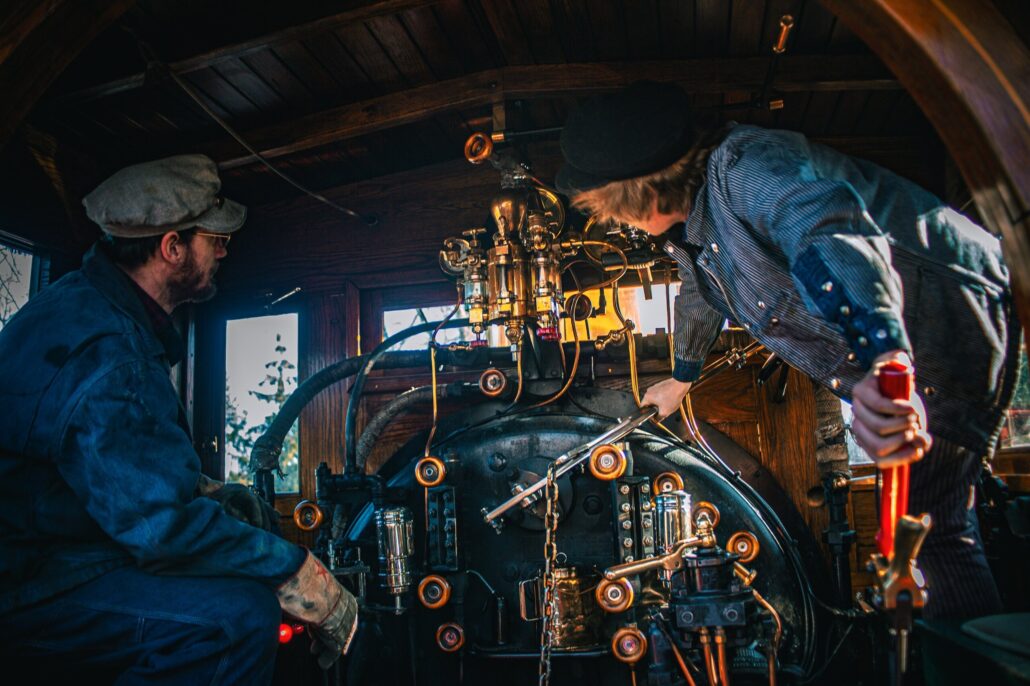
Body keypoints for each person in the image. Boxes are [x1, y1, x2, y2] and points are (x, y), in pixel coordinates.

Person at [557, 82, 1021, 620]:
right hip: (912, 341)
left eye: (614, 208)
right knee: (934, 531)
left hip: (950, 315)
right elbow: (699, 296)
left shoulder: (745, 167)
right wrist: (682, 376)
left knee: (933, 533)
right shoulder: (695, 229)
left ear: (640, 194)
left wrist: (882, 359)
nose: (615, 222)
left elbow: (828, 234)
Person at [0, 155, 357, 682]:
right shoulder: (111, 355)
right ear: (172, 248)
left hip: (56, 551)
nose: (223, 250)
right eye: (215, 239)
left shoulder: (90, 310)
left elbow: (103, 469)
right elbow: (161, 531)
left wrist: (207, 492)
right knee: (235, 618)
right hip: (31, 580)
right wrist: (294, 570)